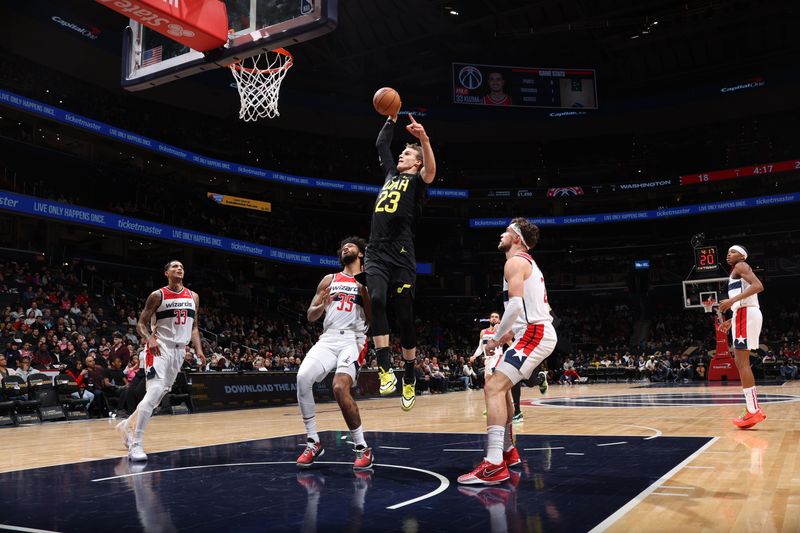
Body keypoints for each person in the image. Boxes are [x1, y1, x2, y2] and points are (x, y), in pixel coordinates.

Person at [458, 218, 557, 485]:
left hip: (535, 333)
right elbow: (524, 311)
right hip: (530, 331)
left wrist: (497, 337)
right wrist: (507, 336)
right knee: (496, 386)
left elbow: (513, 308)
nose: (500, 235)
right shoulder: (526, 264)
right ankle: (507, 451)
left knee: (493, 388)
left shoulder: (514, 262)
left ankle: (493, 465)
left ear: (516, 238)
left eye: (506, 231)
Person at [366, 108, 436, 412]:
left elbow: (431, 170)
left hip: (402, 252)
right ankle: (385, 369)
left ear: (416, 161)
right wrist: (391, 118)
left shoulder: (419, 180)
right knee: (377, 300)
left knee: (405, 316)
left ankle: (409, 375)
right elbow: (381, 145)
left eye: (406, 154)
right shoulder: (390, 175)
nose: (401, 156)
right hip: (376, 250)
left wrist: (423, 139)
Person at [295, 237, 373, 470]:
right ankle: (313, 442)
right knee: (302, 378)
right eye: (342, 247)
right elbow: (310, 315)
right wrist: (322, 305)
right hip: (328, 338)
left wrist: (365, 291)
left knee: (339, 388)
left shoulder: (369, 281)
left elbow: (373, 318)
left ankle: (362, 447)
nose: (345, 248)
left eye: (350, 246)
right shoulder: (329, 279)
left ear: (360, 254)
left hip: (353, 339)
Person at [115, 260, 206, 461]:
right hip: (158, 348)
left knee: (156, 398)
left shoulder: (194, 297)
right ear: (166, 272)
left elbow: (194, 327)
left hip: (179, 352)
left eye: (182, 266)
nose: (179, 268)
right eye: (174, 266)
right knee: (154, 391)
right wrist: (150, 339)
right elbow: (141, 324)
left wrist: (198, 349)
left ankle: (125, 425)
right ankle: (136, 445)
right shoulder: (157, 295)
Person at [718, 245, 765, 429]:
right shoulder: (737, 271)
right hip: (742, 315)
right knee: (740, 362)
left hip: (746, 314)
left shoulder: (741, 266)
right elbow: (746, 299)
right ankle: (751, 409)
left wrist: (731, 301)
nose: (729, 254)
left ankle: (753, 411)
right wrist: (732, 320)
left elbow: (758, 286)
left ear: (742, 255)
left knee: (742, 362)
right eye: (728, 252)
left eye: (733, 251)